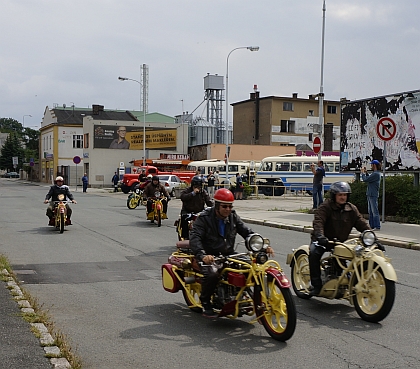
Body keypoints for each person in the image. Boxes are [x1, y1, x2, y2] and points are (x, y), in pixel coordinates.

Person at [189, 188, 274, 317]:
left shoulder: (233, 216)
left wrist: (263, 246)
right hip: (210, 255)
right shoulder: (204, 218)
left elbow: (247, 232)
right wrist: (202, 255)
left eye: (230, 206)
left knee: (252, 267)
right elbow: (195, 238)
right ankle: (205, 301)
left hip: (228, 253)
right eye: (224, 206)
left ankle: (245, 295)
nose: (228, 209)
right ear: (217, 205)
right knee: (212, 274)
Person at [308, 181, 370, 296]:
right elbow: (318, 222)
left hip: (340, 243)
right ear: (334, 195)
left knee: (359, 256)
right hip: (323, 240)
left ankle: (349, 281)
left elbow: (362, 223)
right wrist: (320, 236)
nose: (343, 197)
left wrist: (371, 236)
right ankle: (316, 285)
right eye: (340, 195)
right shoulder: (325, 207)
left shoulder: (351, 209)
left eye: (345, 195)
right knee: (314, 254)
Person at [179, 175, 213, 240]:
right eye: (196, 186)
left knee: (209, 220)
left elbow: (209, 201)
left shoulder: (203, 192)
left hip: (199, 211)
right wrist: (192, 193)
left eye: (200, 186)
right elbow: (182, 197)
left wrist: (215, 208)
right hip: (188, 211)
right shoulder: (187, 190)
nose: (198, 188)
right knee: (184, 218)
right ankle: (185, 237)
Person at [361, 159, 382, 230]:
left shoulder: (376, 174)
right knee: (370, 211)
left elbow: (366, 179)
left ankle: (377, 226)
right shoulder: (375, 174)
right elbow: (369, 178)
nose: (371, 166)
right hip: (370, 194)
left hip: (373, 194)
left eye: (372, 165)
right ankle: (372, 226)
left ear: (374, 165)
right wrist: (366, 173)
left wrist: (363, 173)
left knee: (374, 211)